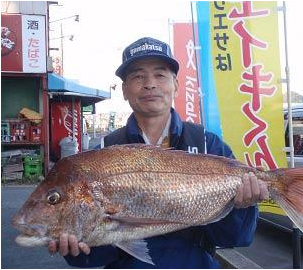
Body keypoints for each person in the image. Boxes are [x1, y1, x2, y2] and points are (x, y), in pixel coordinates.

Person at [48, 37, 269, 268]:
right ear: (124, 90)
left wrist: (243, 207)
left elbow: (234, 238)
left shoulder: (207, 144)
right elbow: (92, 259)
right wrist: (77, 250)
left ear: (176, 85)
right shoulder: (103, 152)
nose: (150, 84)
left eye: (160, 74)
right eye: (137, 76)